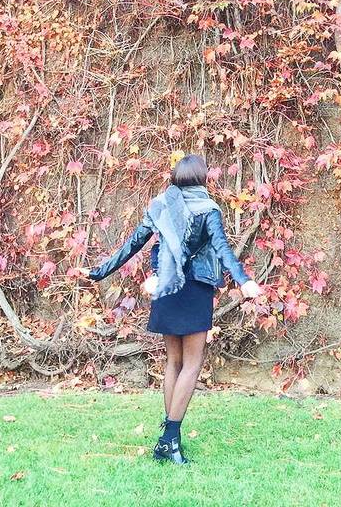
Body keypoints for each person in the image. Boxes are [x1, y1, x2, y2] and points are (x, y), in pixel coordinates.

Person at [86, 153, 261, 464]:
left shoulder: (161, 206)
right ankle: (169, 440)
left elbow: (133, 244)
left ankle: (168, 436)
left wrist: (100, 270)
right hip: (194, 289)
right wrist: (244, 280)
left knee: (174, 362)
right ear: (202, 179)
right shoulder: (208, 209)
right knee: (192, 364)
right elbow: (222, 248)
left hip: (167, 287)